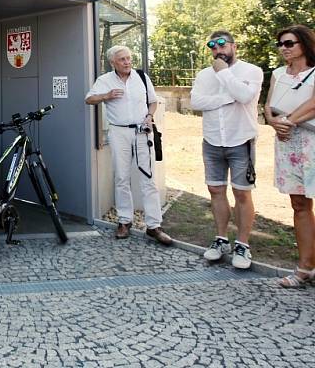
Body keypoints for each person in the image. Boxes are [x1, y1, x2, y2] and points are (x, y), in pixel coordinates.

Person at [85, 45, 172, 245]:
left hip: (142, 132)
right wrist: (106, 96)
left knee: (148, 177)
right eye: (122, 59)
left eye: (129, 58)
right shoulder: (105, 80)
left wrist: (149, 116)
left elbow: (153, 102)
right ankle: (125, 221)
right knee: (121, 177)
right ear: (112, 63)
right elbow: (89, 99)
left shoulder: (142, 77)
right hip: (119, 132)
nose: (127, 62)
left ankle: (154, 226)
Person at [190, 30, 263, 269]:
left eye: (222, 45)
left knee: (242, 193)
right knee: (215, 190)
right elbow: (195, 103)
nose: (217, 51)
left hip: (240, 139)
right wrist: (224, 98)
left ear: (234, 46)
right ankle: (221, 239)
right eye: (212, 47)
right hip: (212, 140)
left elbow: (243, 96)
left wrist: (224, 73)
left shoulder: (251, 71)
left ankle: (242, 244)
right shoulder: (203, 74)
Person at [264, 25, 315, 287]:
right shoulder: (277, 74)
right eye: (280, 44)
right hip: (287, 143)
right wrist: (274, 122)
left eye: (289, 43)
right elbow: (268, 106)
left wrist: (289, 121)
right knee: (299, 204)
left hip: (311, 141)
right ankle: (306, 266)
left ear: (304, 44)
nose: (283, 48)